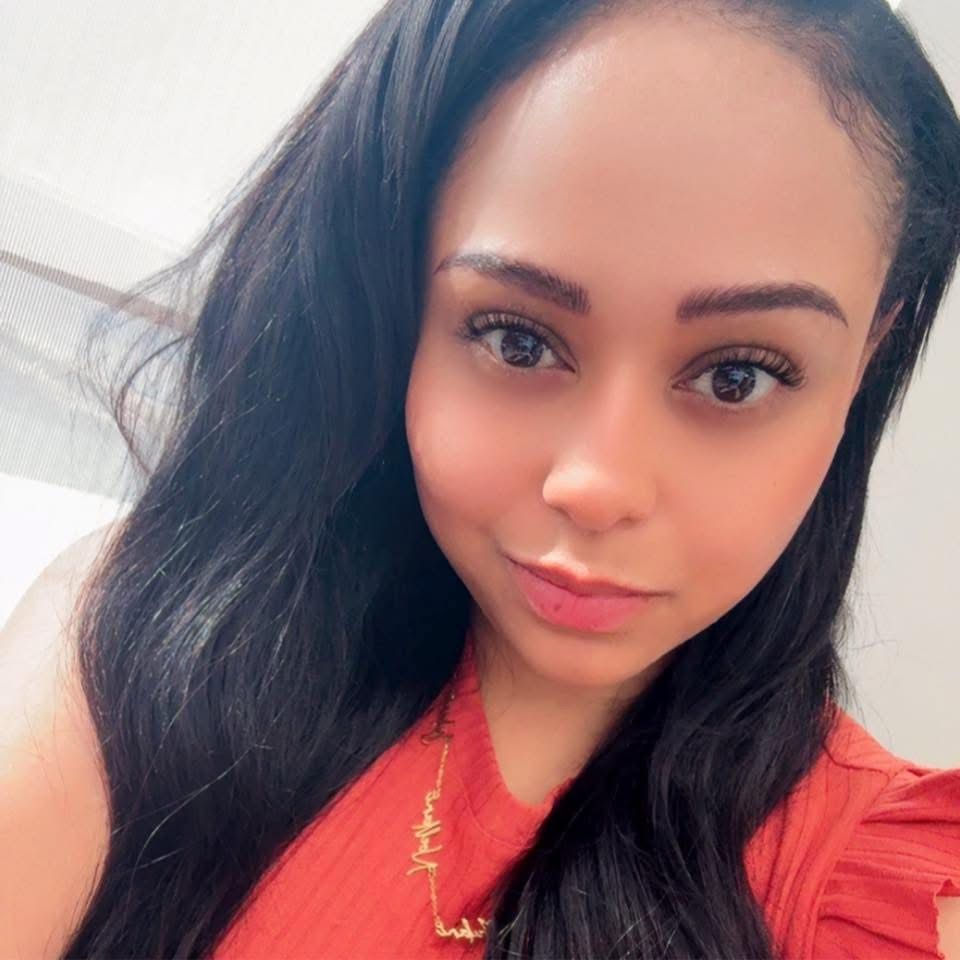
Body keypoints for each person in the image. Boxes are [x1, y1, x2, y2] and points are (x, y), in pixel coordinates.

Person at [1, 0, 958, 956]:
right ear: (395, 306)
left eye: (736, 376)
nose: (598, 484)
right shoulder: (152, 644)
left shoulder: (867, 891)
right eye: (517, 340)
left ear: (868, 354)